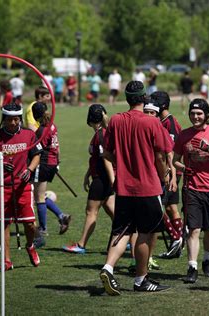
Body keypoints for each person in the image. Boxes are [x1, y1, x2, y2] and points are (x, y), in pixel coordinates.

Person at [99, 80, 173, 295]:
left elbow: (107, 153)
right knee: (146, 233)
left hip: (123, 188)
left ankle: (108, 267)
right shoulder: (152, 122)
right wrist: (165, 175)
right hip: (147, 187)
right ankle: (141, 279)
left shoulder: (115, 120)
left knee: (122, 231)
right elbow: (161, 155)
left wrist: (122, 162)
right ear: (144, 98)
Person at [173, 98, 209, 284]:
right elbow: (174, 160)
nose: (195, 117)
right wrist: (183, 167)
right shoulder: (184, 135)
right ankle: (192, 267)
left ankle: (207, 260)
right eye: (192, 113)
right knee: (193, 229)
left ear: (206, 115)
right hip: (191, 189)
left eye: (199, 113)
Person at [0, 103, 42, 271]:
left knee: (30, 224)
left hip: (23, 186)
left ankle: (30, 245)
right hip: (3, 186)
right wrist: (0, 164)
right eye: (9, 120)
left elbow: (37, 155)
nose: (12, 123)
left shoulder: (29, 135)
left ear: (19, 119)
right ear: (4, 119)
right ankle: (6, 260)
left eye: (16, 119)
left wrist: (30, 169)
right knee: (4, 223)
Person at [63, 104, 115, 254]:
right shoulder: (102, 133)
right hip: (102, 177)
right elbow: (97, 159)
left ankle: (81, 244)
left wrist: (111, 181)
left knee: (91, 212)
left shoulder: (100, 135)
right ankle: (127, 239)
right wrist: (87, 175)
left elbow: (105, 159)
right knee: (114, 213)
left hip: (102, 179)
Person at [148, 91, 185, 259]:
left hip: (168, 172)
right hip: (168, 171)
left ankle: (176, 237)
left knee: (156, 207)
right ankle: (179, 238)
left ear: (161, 105)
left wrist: (169, 173)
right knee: (171, 207)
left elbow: (168, 151)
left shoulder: (168, 123)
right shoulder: (164, 121)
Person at [31, 102, 71, 243]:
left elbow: (36, 152)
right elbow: (57, 147)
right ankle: (61, 216)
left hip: (43, 164)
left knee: (38, 198)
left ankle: (43, 228)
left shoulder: (40, 131)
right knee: (40, 195)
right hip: (52, 163)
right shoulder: (52, 126)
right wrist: (57, 162)